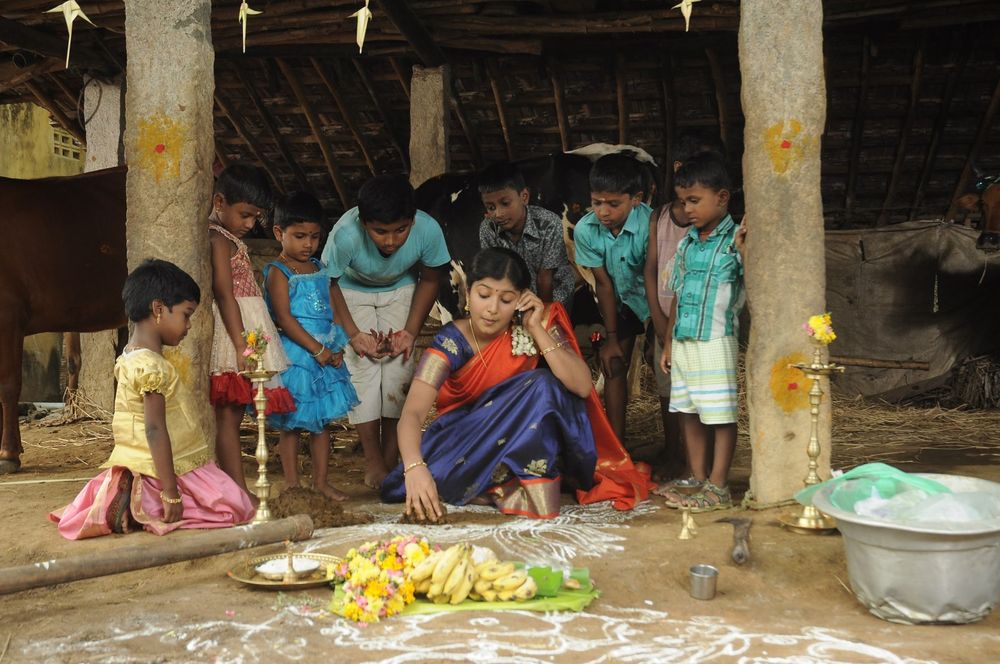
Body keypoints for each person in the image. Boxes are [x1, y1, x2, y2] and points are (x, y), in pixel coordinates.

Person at [382, 248, 652, 521]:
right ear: (468, 291)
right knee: (422, 478)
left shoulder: (539, 323)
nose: (492, 309)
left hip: (519, 445)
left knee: (543, 385)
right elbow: (412, 414)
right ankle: (489, 487)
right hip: (465, 442)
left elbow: (582, 386)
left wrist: (536, 329)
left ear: (522, 299)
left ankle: (509, 485)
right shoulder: (451, 341)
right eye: (484, 295)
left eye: (506, 299)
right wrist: (414, 467)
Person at [49, 260, 256, 539]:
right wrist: (171, 493)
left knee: (233, 501)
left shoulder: (132, 355)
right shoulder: (151, 366)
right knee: (234, 508)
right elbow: (154, 429)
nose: (189, 325)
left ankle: (132, 498)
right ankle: (144, 504)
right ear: (158, 309)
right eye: (186, 314)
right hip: (169, 469)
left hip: (142, 462)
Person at [322, 174, 451, 491]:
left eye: (400, 230)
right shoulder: (345, 234)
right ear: (363, 222)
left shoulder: (428, 229)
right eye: (380, 231)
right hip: (349, 292)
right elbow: (328, 282)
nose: (391, 241)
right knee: (362, 370)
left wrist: (410, 332)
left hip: (401, 289)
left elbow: (431, 279)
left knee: (398, 370)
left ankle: (392, 460)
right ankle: (374, 462)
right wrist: (353, 334)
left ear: (413, 220)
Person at [659, 153, 747, 512]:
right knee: (689, 409)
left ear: (722, 198)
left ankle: (719, 485)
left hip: (715, 340)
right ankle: (697, 477)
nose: (687, 209)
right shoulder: (687, 244)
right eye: (683, 202)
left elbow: (756, 284)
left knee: (720, 414)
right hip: (684, 341)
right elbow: (678, 295)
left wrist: (746, 253)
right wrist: (668, 343)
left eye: (694, 200)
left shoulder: (736, 241)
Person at [264, 192, 359, 501]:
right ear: (278, 233)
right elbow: (284, 318)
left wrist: (338, 344)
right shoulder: (279, 272)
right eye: (300, 236)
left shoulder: (319, 267)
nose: (308, 244)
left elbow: (334, 308)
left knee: (322, 424)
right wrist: (317, 350)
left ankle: (321, 482)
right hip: (297, 357)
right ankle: (292, 485)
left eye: (315, 237)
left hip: (327, 353)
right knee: (290, 425)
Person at [208, 163, 293, 498]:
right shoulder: (218, 239)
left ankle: (237, 490)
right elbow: (224, 294)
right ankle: (239, 492)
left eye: (255, 217)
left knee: (235, 416)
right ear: (219, 202)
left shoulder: (228, 238)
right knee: (228, 418)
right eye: (244, 215)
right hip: (235, 333)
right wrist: (241, 344)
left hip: (246, 330)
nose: (249, 224)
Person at [646, 134, 725, 488]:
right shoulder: (660, 217)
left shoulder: (709, 223)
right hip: (664, 321)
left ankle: (699, 465)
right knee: (668, 392)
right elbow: (652, 270)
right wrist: (659, 320)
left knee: (699, 395)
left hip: (699, 326)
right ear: (680, 169)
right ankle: (674, 452)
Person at [573, 154, 652, 443]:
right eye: (597, 202)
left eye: (613, 204)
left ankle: (673, 450)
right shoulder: (585, 230)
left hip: (657, 298)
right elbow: (604, 284)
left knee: (661, 364)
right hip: (619, 300)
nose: (603, 212)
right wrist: (612, 337)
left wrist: (660, 330)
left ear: (636, 199)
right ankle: (618, 446)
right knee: (614, 363)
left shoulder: (651, 224)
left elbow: (656, 279)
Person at [477, 161, 576, 311]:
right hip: (516, 297)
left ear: (524, 197)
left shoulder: (549, 223)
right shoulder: (488, 229)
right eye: (491, 207)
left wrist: (542, 316)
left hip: (553, 292)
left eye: (505, 203)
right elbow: (494, 274)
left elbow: (545, 278)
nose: (498, 213)